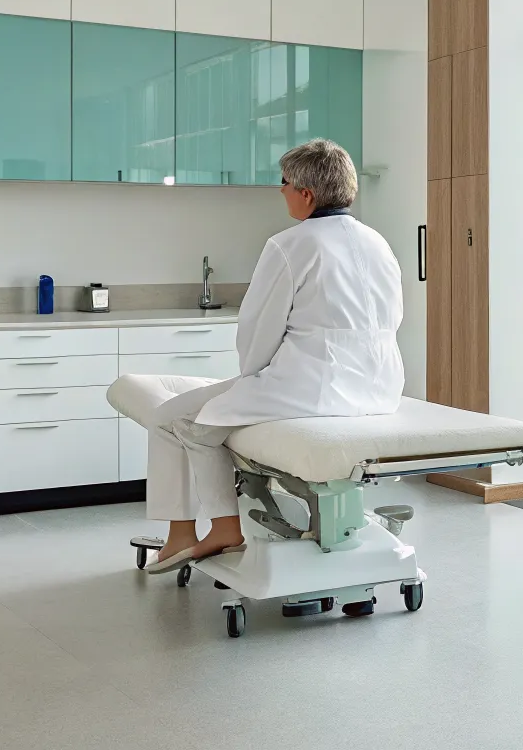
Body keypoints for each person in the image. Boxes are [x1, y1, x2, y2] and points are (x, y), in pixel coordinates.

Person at [139, 139, 405, 574]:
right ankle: (185, 535)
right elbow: (391, 319)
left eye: (284, 183)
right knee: (189, 416)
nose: (280, 191)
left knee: (177, 420)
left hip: (310, 389)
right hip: (382, 389)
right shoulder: (377, 242)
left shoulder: (290, 244)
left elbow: (257, 331)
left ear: (306, 193)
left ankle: (215, 528)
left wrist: (249, 381)